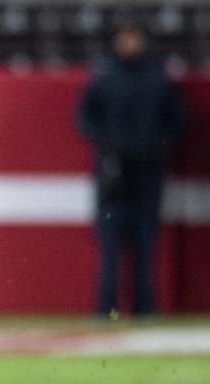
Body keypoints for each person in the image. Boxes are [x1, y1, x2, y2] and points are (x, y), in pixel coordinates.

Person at [77, 21, 185, 317]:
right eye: (124, 38)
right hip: (112, 170)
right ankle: (106, 307)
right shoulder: (104, 78)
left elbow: (175, 122)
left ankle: (144, 306)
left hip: (147, 170)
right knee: (109, 241)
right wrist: (108, 146)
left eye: (133, 38)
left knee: (145, 240)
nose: (129, 45)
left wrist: (154, 145)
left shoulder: (158, 79)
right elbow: (85, 119)